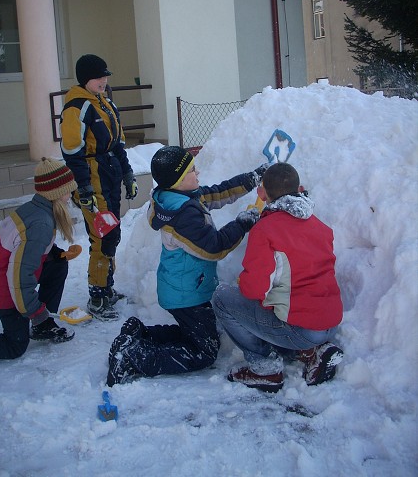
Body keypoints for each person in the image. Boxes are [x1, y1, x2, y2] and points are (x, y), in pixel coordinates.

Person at [106, 145, 268, 386]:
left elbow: (217, 193)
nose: (198, 172)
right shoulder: (183, 214)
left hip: (183, 287)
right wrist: (242, 223)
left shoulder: (177, 197)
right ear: (178, 180)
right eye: (192, 170)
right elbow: (213, 247)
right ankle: (134, 357)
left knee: (191, 335)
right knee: (203, 352)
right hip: (187, 295)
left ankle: (140, 334)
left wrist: (250, 180)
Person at [211, 162, 344, 393]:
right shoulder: (319, 225)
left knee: (223, 297)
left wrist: (245, 283)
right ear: (299, 189)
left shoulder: (265, 229)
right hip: (330, 323)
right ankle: (312, 351)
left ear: (262, 193)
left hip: (300, 329)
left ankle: (265, 369)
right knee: (282, 303)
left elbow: (253, 290)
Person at [0, 158, 78, 362]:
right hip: (3, 285)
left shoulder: (37, 208)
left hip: (6, 274)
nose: (70, 195)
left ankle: (42, 327)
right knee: (15, 345)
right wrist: (35, 311)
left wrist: (54, 253)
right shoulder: (42, 223)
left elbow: (25, 249)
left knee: (57, 265)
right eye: (67, 190)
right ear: (54, 193)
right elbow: (19, 275)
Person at [60, 54, 138, 321]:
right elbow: (72, 152)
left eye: (105, 76)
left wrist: (127, 173)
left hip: (110, 173)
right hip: (92, 179)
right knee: (102, 235)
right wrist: (83, 188)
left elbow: (118, 143)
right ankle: (97, 296)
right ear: (86, 79)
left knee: (112, 231)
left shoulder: (104, 103)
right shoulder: (77, 106)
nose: (104, 80)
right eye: (99, 76)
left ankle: (107, 287)